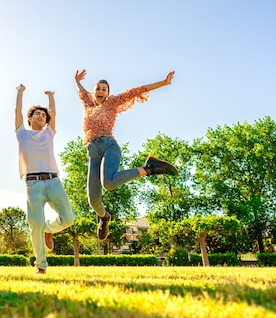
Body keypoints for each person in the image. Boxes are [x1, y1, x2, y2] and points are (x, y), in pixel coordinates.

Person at [75, 69, 178, 240]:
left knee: (108, 183)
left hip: (109, 146)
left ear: (108, 93)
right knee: (93, 200)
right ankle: (104, 217)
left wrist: (163, 82)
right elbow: (81, 92)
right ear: (93, 92)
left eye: (104, 89)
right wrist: (77, 80)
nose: (100, 91)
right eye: (98, 89)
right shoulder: (88, 104)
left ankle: (149, 168)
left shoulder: (112, 102)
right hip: (93, 153)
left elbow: (137, 91)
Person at [15, 84, 74, 275]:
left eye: (44, 115)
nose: (41, 116)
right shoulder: (22, 133)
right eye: (37, 114)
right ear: (30, 118)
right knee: (35, 224)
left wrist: (51, 97)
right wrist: (20, 93)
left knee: (68, 219)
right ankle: (41, 265)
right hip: (33, 184)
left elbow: (54, 112)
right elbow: (17, 110)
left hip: (53, 181)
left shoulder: (49, 133)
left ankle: (49, 229)